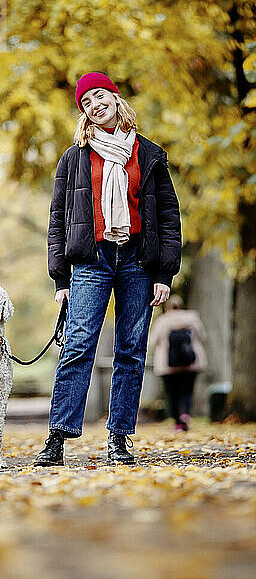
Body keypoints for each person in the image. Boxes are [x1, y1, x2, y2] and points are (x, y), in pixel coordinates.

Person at [33, 72, 182, 466]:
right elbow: (57, 220)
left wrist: (164, 275)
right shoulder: (75, 157)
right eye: (86, 102)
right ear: (84, 113)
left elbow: (168, 216)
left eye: (99, 96)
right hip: (91, 260)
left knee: (130, 351)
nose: (94, 104)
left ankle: (119, 438)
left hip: (137, 261)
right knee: (78, 347)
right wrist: (60, 279)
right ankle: (57, 439)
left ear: (115, 98)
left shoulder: (150, 155)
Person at [148, 294, 208, 431]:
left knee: (172, 393)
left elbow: (152, 343)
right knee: (187, 391)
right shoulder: (192, 318)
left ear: (167, 307)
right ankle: (185, 414)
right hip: (190, 363)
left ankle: (177, 422)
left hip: (168, 365)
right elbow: (202, 336)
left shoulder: (162, 321)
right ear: (181, 305)